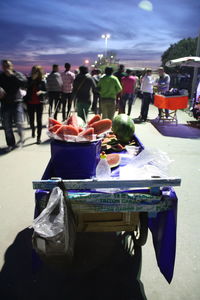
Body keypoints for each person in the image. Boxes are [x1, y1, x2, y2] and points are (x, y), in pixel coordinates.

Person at [0, 60, 27, 152]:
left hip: (17, 102)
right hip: (5, 103)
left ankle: (21, 138)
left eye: (8, 65)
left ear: (12, 66)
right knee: (7, 126)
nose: (6, 67)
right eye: (4, 66)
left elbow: (24, 83)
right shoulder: (1, 76)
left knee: (19, 123)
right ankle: (11, 144)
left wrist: (12, 75)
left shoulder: (17, 74)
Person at [25, 65, 46, 144]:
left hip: (39, 103)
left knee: (39, 120)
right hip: (30, 103)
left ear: (39, 72)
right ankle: (33, 129)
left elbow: (46, 91)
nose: (34, 73)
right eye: (33, 71)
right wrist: (32, 80)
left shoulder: (42, 81)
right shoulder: (29, 80)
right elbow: (25, 87)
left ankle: (38, 137)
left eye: (36, 71)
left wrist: (41, 92)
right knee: (31, 120)